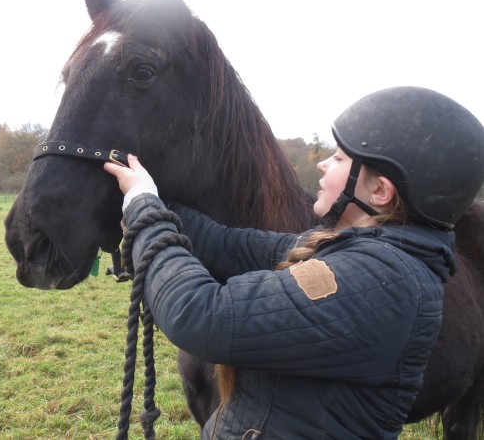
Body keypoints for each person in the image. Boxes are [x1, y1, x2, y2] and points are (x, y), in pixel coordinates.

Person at [104, 86, 484, 439]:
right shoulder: (362, 252)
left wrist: (143, 208)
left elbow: (200, 315)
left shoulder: (379, 280)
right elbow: (232, 244)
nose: (321, 165)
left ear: (380, 191)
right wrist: (161, 201)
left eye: (338, 158)